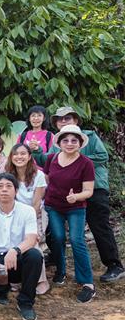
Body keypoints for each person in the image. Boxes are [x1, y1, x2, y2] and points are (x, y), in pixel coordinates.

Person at [31, 106, 124, 283]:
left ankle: (114, 265)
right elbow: (46, 161)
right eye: (60, 119)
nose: (64, 121)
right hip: (64, 194)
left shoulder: (89, 136)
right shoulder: (58, 144)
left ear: (76, 121)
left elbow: (102, 156)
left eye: (68, 118)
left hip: (93, 188)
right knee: (54, 229)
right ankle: (58, 261)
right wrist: (37, 152)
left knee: (99, 225)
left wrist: (75, 157)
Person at [0, 173, 43, 320]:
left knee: (35, 256)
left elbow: (31, 239)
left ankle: (25, 302)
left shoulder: (27, 211)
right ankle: (2, 290)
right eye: (0, 186)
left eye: (8, 186)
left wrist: (15, 250)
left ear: (16, 190)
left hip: (17, 258)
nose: (4, 190)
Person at [42, 124, 96, 302]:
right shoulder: (52, 158)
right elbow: (48, 180)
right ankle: (61, 270)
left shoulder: (86, 163)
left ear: (80, 143)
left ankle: (87, 282)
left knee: (76, 239)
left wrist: (76, 197)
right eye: (66, 140)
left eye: (74, 140)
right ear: (60, 142)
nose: (70, 143)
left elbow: (89, 191)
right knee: (57, 238)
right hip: (53, 205)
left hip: (76, 207)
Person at [5, 144, 50, 294]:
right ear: (11, 157)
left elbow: (36, 204)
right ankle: (17, 278)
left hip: (35, 214)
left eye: (23, 153)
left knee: (33, 243)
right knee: (14, 241)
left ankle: (42, 280)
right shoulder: (8, 175)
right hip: (14, 213)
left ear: (30, 156)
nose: (19, 157)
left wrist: (27, 223)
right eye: (15, 154)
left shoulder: (39, 175)